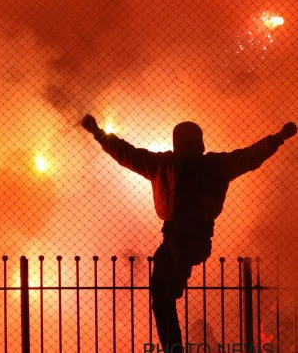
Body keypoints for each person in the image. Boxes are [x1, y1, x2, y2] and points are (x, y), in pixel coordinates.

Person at [80, 115, 296, 353]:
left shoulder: (167, 164)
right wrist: (278, 138)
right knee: (163, 295)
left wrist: (99, 134)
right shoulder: (211, 165)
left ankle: (174, 343)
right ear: (200, 143)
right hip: (189, 239)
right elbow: (250, 156)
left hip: (182, 239)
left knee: (162, 295)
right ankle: (174, 334)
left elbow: (127, 154)